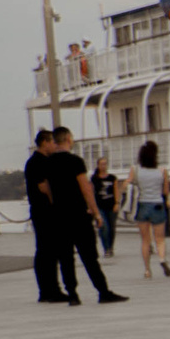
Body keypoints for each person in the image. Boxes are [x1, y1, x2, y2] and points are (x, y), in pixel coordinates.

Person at [38, 128, 126, 305]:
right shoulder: (75, 161)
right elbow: (86, 188)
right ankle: (103, 291)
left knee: (65, 257)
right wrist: (95, 212)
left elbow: (45, 188)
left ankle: (72, 294)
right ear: (69, 139)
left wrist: (56, 203)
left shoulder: (48, 163)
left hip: (59, 216)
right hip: (78, 214)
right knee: (89, 255)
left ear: (55, 141)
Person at [25, 129, 66, 304]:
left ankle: (48, 289)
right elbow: (44, 187)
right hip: (44, 211)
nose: (53, 145)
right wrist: (56, 205)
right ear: (44, 142)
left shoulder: (40, 161)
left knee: (47, 250)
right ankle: (50, 290)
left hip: (43, 210)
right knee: (47, 250)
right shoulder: (37, 162)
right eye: (51, 142)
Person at [131, 140, 170, 277]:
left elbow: (130, 183)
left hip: (143, 205)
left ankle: (147, 270)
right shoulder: (162, 170)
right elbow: (166, 191)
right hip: (158, 205)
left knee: (145, 240)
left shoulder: (136, 169)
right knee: (159, 239)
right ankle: (162, 259)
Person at [92, 155, 120, 258]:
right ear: (98, 165)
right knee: (104, 227)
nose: (103, 166)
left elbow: (116, 190)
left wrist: (117, 203)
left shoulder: (112, 178)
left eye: (105, 164)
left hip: (111, 206)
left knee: (112, 228)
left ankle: (111, 246)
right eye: (101, 164)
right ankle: (106, 248)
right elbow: (91, 191)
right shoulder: (94, 178)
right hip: (100, 206)